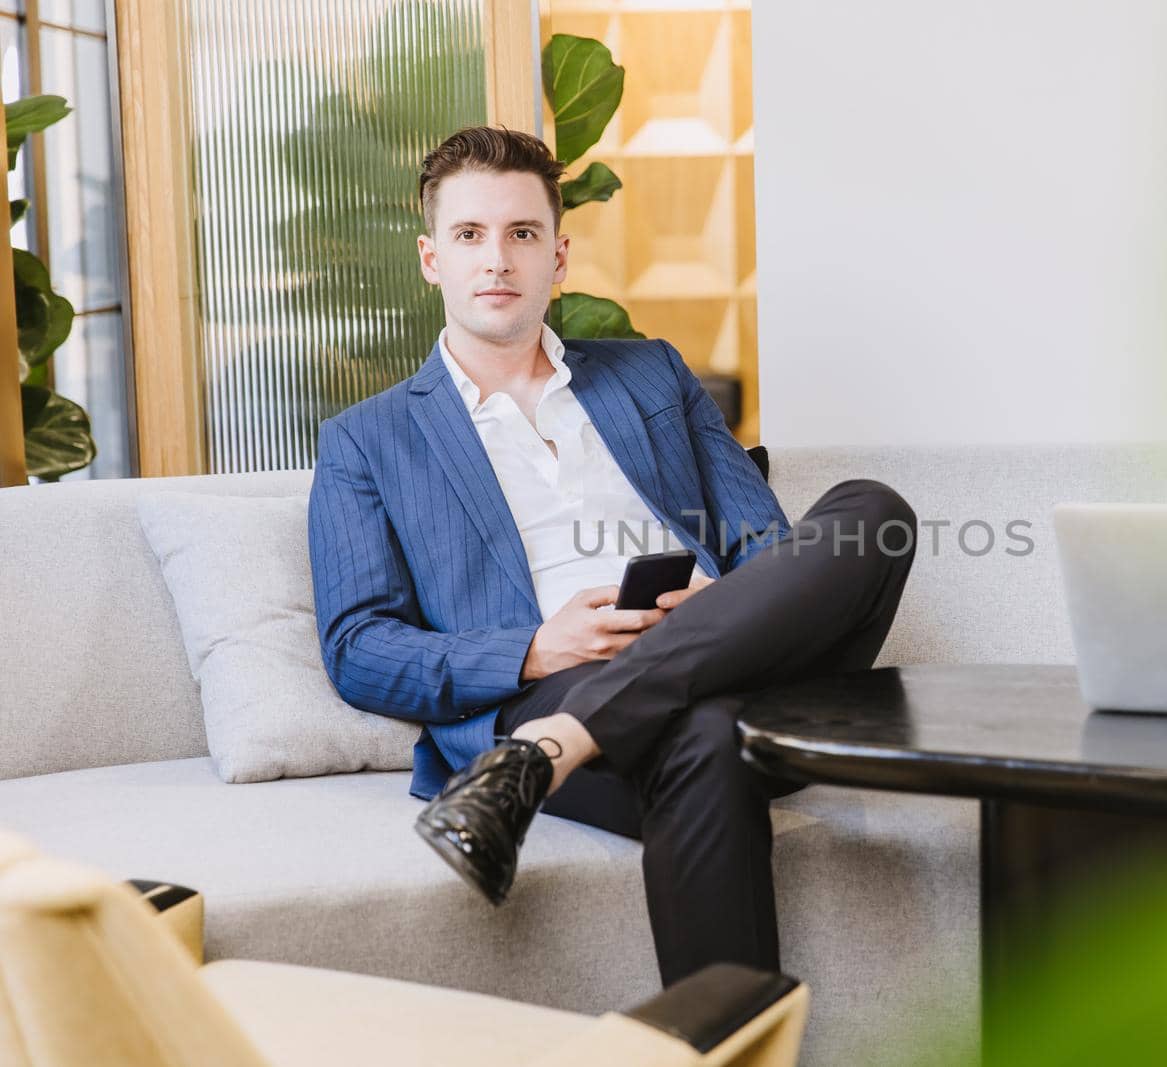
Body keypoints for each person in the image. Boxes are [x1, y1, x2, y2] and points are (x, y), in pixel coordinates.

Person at [307, 125, 917, 985]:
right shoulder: (367, 441)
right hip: (551, 683)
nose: (497, 260)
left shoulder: (651, 373)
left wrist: (719, 595)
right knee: (706, 732)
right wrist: (536, 646)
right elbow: (357, 646)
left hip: (729, 651)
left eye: (521, 234)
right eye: (470, 235)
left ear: (558, 258)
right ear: (430, 258)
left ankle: (554, 751)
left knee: (872, 512)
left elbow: (763, 541)